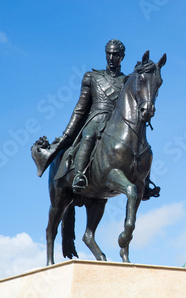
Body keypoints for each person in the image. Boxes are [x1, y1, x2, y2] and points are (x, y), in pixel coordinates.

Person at [43, 39, 159, 198]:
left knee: (141, 143)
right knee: (89, 136)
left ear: (122, 57)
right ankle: (79, 175)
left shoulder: (126, 81)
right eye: (109, 54)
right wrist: (67, 135)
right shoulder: (92, 77)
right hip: (96, 118)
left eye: (116, 55)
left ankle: (144, 182)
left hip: (116, 123)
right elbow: (80, 109)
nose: (111, 58)